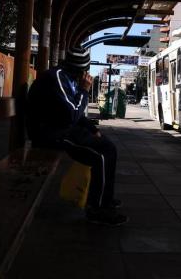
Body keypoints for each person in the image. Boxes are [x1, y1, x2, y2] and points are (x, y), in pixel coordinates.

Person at [26, 47, 128, 226]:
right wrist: (84, 90)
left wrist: (91, 127)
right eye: (85, 71)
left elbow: (75, 114)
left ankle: (105, 198)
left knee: (108, 147)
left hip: (63, 128)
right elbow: (72, 113)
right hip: (50, 133)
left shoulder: (67, 77)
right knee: (100, 156)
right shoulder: (57, 78)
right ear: (81, 69)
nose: (86, 75)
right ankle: (97, 210)